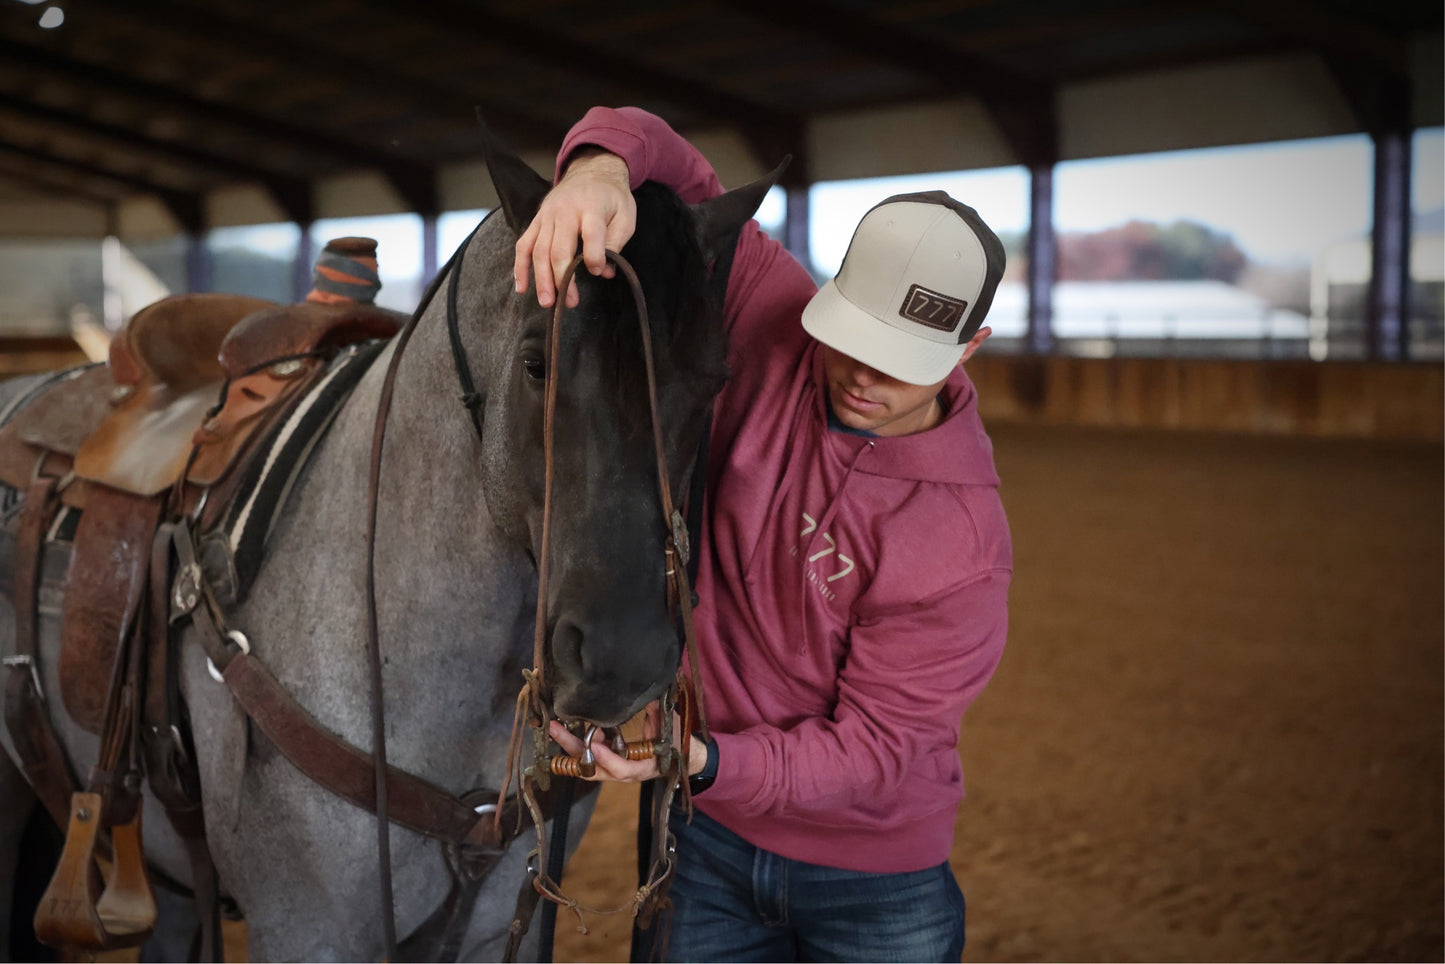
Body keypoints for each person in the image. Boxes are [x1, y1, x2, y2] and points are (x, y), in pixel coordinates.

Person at [519, 106, 1011, 964]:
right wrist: (596, 169)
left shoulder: (958, 535)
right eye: (853, 336)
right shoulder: (771, 310)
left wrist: (698, 760)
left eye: (903, 358)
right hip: (702, 843)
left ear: (970, 348)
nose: (863, 374)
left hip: (873, 881)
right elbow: (672, 164)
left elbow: (881, 748)